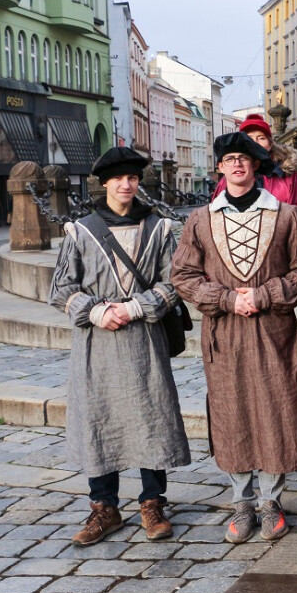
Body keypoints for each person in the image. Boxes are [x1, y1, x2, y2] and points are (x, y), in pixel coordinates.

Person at [48, 147, 191, 546]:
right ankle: (104, 508)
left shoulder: (158, 229)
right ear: (105, 184)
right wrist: (96, 311)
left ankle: (152, 503)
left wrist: (135, 307)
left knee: (150, 415)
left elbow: (175, 281)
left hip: (144, 338)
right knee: (100, 416)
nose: (126, 185)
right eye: (118, 179)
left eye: (132, 178)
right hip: (97, 343)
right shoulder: (81, 231)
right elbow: (60, 288)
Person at [171, 132, 297, 544]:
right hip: (224, 332)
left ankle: (272, 502)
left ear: (256, 165)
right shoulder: (200, 220)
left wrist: (264, 296)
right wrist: (227, 299)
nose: (237, 164)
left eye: (244, 158)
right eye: (229, 158)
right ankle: (242, 503)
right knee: (232, 413)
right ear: (220, 167)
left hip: (273, 331)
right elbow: (183, 275)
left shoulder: (286, 216)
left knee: (275, 410)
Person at [212, 113, 297, 222]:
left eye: (261, 138)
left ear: (270, 144)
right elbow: (216, 216)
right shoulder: (230, 179)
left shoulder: (287, 176)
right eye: (249, 138)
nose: (255, 142)